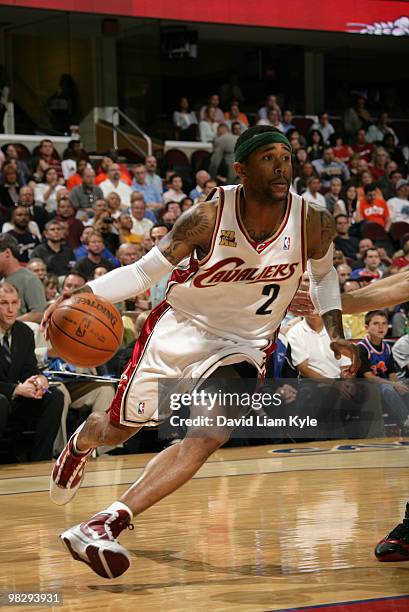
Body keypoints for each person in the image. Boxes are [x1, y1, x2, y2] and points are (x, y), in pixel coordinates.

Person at [42, 125, 359, 579]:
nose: (282, 166)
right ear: (241, 169)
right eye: (269, 158)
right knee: (115, 430)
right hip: (181, 329)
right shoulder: (207, 218)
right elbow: (141, 273)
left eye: (287, 157)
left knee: (211, 433)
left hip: (245, 344)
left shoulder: (313, 220)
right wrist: (78, 296)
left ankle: (103, 524)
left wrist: (334, 330)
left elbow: (326, 276)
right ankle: (80, 444)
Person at [0, 282, 64, 461]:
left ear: (20, 303)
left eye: (14, 303)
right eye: (4, 303)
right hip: (3, 396)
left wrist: (39, 379)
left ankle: (41, 459)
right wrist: (16, 389)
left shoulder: (25, 332)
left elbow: (29, 368)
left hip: (16, 398)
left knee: (54, 396)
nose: (10, 309)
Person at [0, 234, 46, 323]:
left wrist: (7, 324)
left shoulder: (29, 279)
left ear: (7, 253)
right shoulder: (2, 280)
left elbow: (38, 314)